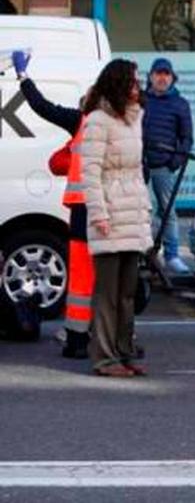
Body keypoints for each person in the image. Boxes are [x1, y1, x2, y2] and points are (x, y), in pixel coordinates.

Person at [10, 49, 94, 359]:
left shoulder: (81, 122)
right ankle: (107, 335)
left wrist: (23, 76)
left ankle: (79, 338)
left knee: (86, 279)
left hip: (86, 211)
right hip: (107, 213)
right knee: (106, 280)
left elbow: (42, 107)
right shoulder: (119, 123)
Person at [81, 59, 153, 378]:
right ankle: (105, 358)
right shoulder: (98, 120)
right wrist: (99, 214)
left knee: (127, 293)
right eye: (133, 83)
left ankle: (124, 352)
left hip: (132, 210)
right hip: (110, 212)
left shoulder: (135, 118)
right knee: (108, 294)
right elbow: (90, 172)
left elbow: (137, 170)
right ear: (118, 84)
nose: (138, 88)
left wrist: (144, 213)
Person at [141, 57, 193, 275]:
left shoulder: (180, 104)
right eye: (158, 74)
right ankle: (143, 254)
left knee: (167, 211)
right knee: (139, 212)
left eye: (166, 74)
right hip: (139, 164)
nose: (162, 78)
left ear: (172, 78)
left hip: (164, 166)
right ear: (151, 76)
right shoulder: (141, 100)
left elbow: (187, 138)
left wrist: (175, 162)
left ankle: (172, 256)